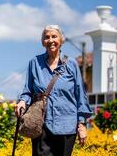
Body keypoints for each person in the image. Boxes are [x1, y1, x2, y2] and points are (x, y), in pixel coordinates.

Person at [15, 25, 92, 156]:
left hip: (67, 125)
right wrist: (22, 101)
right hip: (41, 124)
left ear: (61, 40)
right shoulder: (34, 63)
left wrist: (81, 124)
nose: (50, 40)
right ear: (43, 42)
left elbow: (80, 95)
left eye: (54, 36)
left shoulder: (71, 64)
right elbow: (27, 90)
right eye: (47, 37)